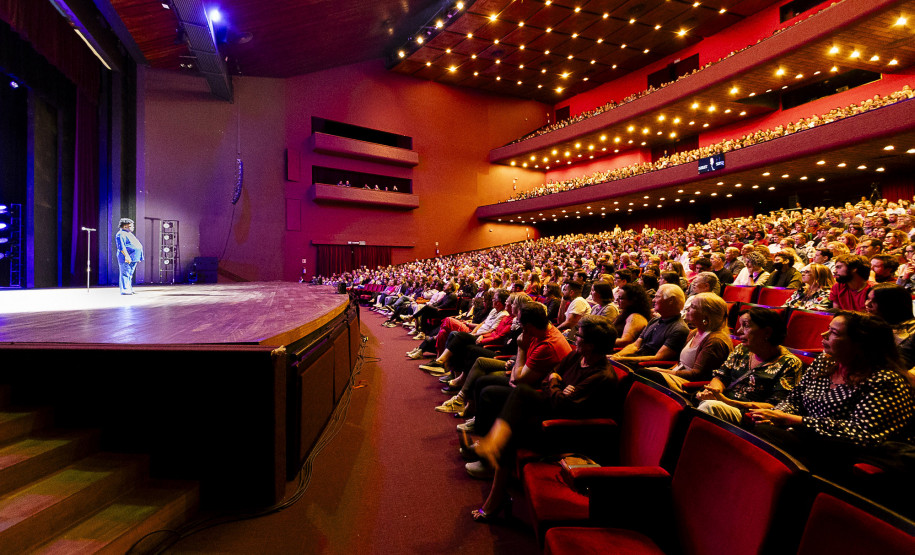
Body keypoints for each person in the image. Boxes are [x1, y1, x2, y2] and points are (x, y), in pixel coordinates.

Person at [466, 316, 619, 522]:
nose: (574, 339)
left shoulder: (602, 376)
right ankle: (493, 458)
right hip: (550, 411)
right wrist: (558, 385)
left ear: (591, 345)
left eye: (579, 336)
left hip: (565, 431)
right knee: (503, 396)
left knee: (517, 413)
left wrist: (554, 384)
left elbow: (563, 406)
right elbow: (552, 375)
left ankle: (495, 483)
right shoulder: (576, 356)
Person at [749, 312, 915, 469]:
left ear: (859, 343)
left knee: (766, 444)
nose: (823, 334)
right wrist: (775, 416)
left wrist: (790, 419)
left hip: (849, 454)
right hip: (809, 439)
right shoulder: (825, 361)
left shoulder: (885, 380)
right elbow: (794, 399)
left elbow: (862, 433)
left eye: (834, 332)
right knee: (755, 426)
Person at [696, 307, 802, 423]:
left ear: (767, 332)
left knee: (709, 407)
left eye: (746, 326)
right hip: (722, 403)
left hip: (749, 415)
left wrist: (727, 402)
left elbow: (777, 405)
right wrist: (713, 392)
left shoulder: (789, 363)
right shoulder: (742, 349)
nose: (739, 331)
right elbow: (721, 376)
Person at [641, 292, 733, 393]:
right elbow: (681, 364)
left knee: (644, 374)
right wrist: (663, 370)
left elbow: (697, 375)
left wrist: (662, 371)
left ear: (706, 316)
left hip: (689, 387)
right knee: (641, 373)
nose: (687, 308)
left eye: (693, 306)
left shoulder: (714, 341)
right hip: (677, 376)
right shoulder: (695, 332)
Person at [612, 284, 689, 366]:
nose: (653, 300)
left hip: (646, 367)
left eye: (657, 297)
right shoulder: (654, 320)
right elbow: (635, 345)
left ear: (671, 300)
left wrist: (621, 359)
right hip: (635, 359)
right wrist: (616, 356)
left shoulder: (679, 329)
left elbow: (658, 357)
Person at [865, 283, 915, 367]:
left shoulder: (912, 331)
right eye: (868, 299)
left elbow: (902, 364)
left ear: (891, 304)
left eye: (875, 301)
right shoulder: (870, 323)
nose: (867, 304)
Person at [612, 283, 651, 348]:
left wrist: (597, 342)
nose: (616, 300)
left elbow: (625, 341)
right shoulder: (625, 312)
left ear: (632, 301)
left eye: (621, 298)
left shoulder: (635, 317)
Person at [115, 217, 143, 295]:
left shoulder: (129, 234)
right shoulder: (120, 234)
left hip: (133, 257)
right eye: (131, 226)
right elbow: (121, 247)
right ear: (125, 226)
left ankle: (128, 288)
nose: (133, 227)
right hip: (127, 257)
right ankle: (125, 289)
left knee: (130, 274)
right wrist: (127, 256)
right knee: (125, 273)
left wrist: (139, 256)